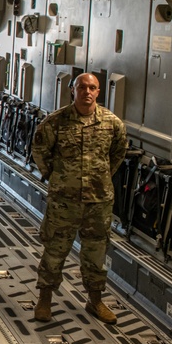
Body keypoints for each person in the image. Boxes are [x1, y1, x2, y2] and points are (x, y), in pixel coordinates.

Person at [32, 73, 127, 324]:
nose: (87, 92)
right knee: (55, 248)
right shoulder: (56, 122)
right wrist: (56, 176)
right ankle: (44, 299)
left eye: (92, 88)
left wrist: (101, 176)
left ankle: (95, 300)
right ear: (72, 91)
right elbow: (40, 150)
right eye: (82, 87)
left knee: (96, 251)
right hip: (64, 200)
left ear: (98, 92)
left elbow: (117, 153)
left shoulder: (111, 123)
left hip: (98, 200)